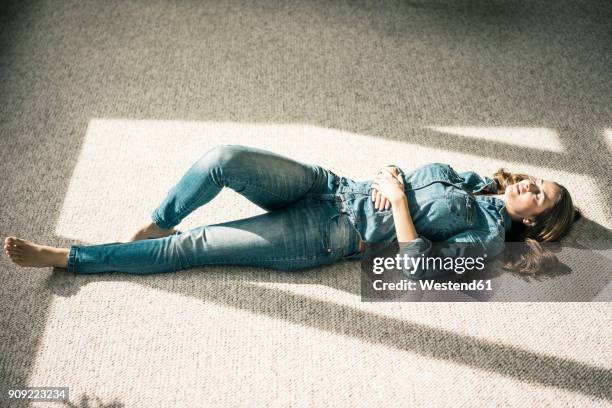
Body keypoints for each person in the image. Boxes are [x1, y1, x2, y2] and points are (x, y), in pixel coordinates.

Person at [4, 145, 579, 277]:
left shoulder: (486, 240)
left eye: (541, 194)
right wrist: (393, 175)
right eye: (536, 179)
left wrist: (400, 200)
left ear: (533, 221)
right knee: (224, 158)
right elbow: (400, 173)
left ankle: (71, 256)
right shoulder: (477, 181)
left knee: (197, 247)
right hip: (331, 185)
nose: (530, 184)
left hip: (329, 232)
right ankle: (158, 218)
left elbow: (414, 264)